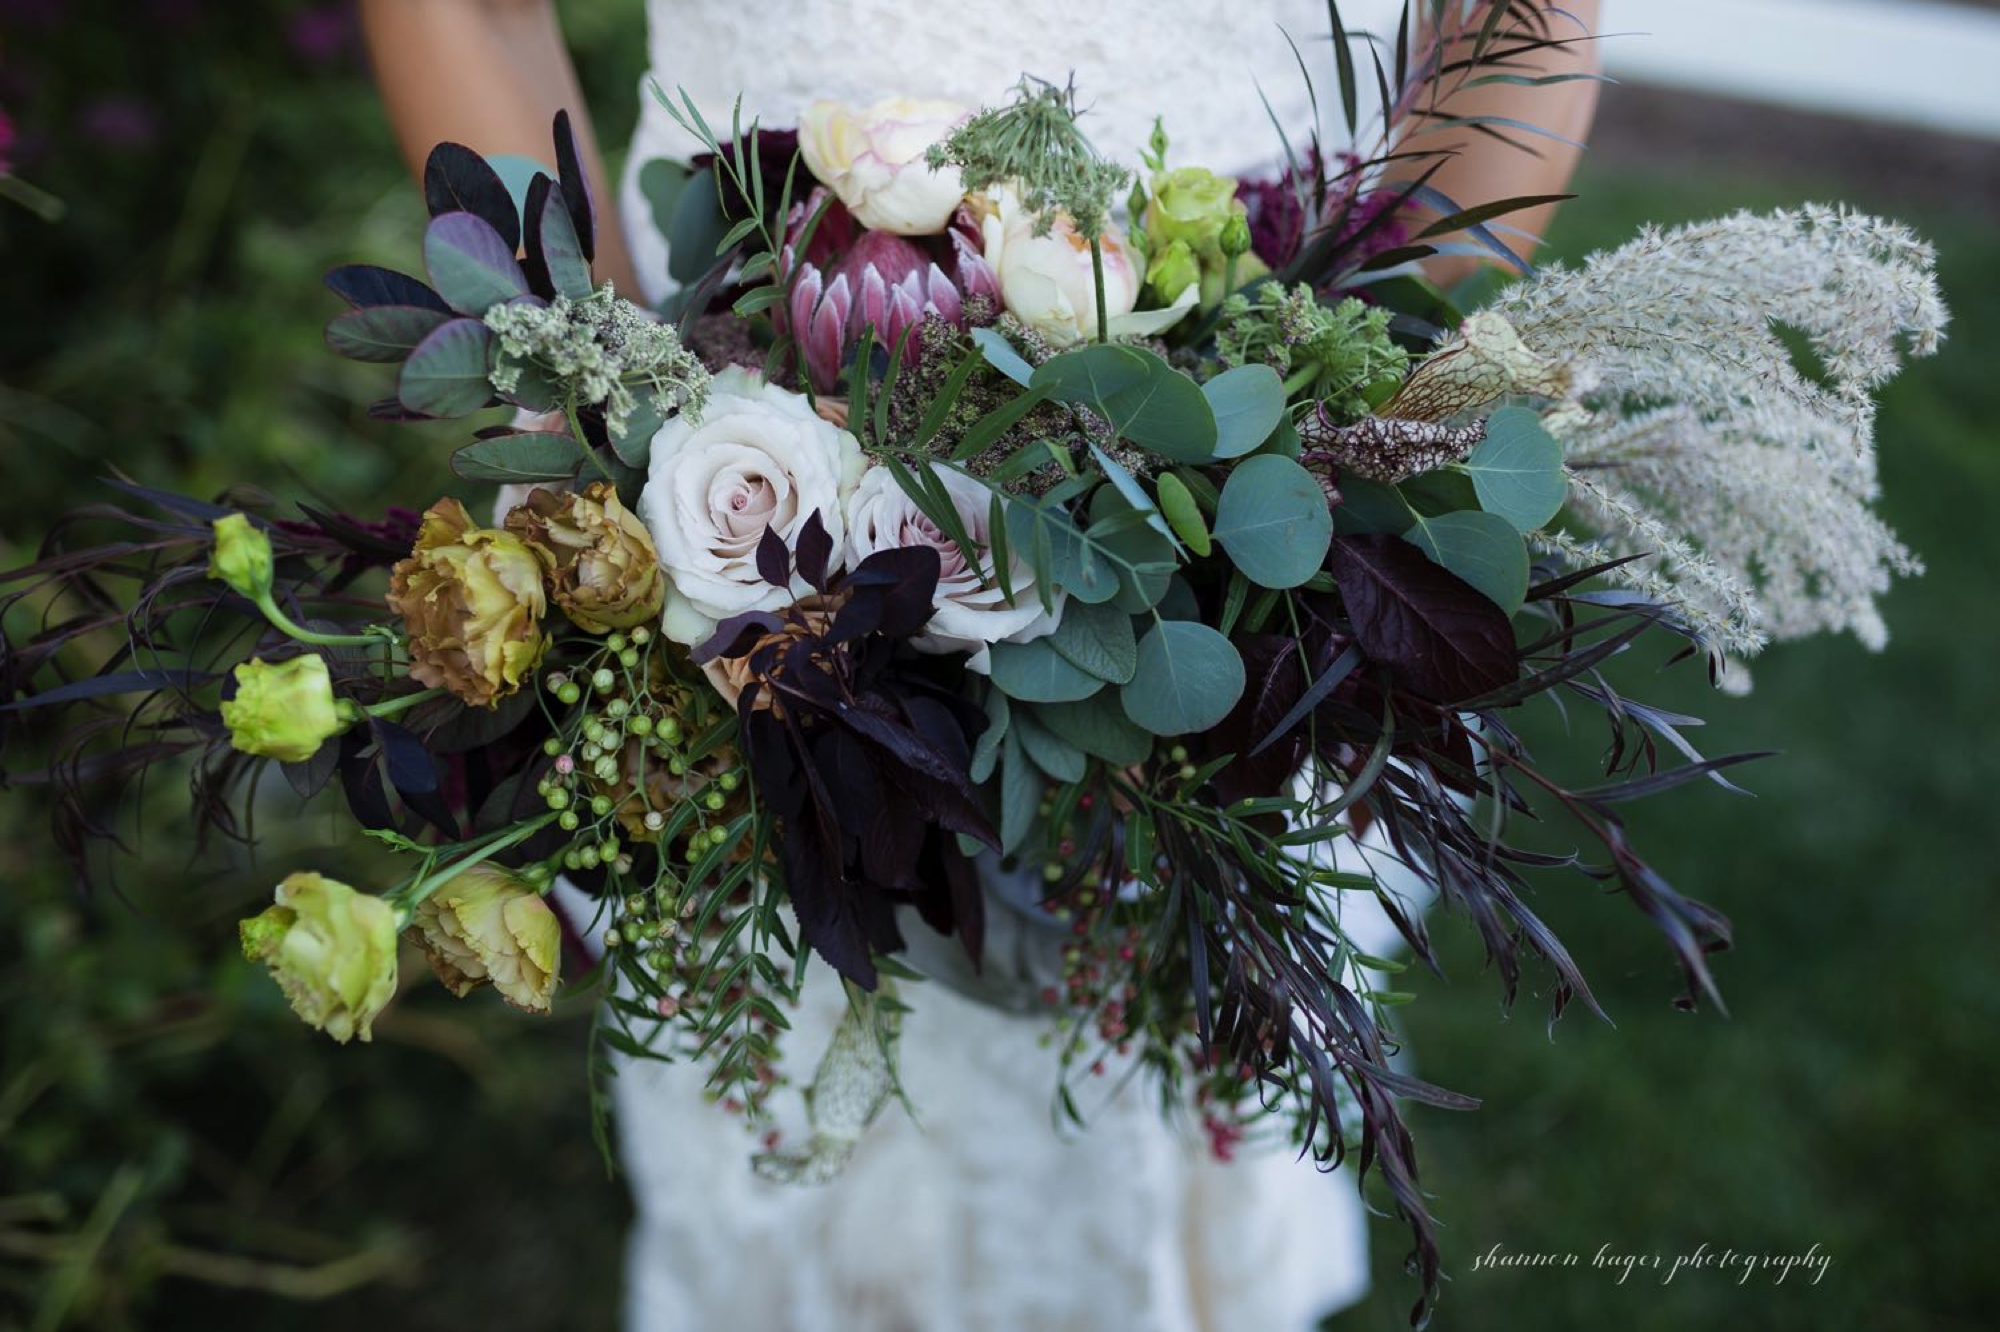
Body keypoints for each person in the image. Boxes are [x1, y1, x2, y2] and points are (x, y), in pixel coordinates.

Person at [356, 4, 1601, 1328]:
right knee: (789, 1106)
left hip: (1235, 495)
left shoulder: (1245, 500)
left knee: (1167, 1097)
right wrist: (618, 399)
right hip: (736, 444)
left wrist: (1300, 427)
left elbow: (1522, 27)